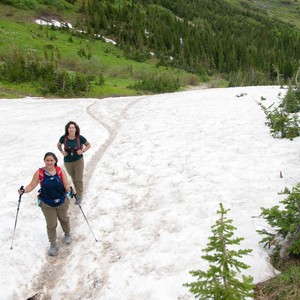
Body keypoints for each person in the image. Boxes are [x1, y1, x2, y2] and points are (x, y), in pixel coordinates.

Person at [18, 152, 75, 256]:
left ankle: (67, 233)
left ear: (55, 161)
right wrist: (24, 191)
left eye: (51, 160)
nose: (49, 162)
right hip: (47, 203)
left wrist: (70, 189)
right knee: (51, 224)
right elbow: (32, 185)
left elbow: (66, 184)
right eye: (47, 160)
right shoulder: (39, 173)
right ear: (44, 161)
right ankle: (53, 243)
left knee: (64, 219)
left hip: (61, 200)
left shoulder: (60, 171)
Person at [57, 121, 91, 205]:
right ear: (67, 129)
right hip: (68, 161)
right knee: (73, 177)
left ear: (76, 129)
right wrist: (62, 152)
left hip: (78, 160)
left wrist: (82, 151)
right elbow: (58, 145)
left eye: (73, 127)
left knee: (78, 178)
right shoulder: (63, 138)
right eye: (70, 128)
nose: (71, 129)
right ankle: (76, 191)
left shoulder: (80, 138)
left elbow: (88, 145)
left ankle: (79, 195)